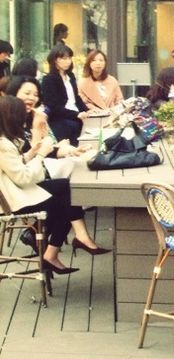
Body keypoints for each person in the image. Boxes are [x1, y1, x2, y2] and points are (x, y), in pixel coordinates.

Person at [0, 95, 108, 279]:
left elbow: (15, 165)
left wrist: (32, 152)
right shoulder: (3, 144)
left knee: (66, 194)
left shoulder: (7, 140)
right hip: (15, 200)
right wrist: (40, 154)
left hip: (19, 192)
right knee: (66, 200)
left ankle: (52, 247)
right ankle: (59, 245)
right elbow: (23, 177)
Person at [40, 45, 89, 145]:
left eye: (70, 58)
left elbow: (76, 97)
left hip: (76, 119)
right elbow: (53, 106)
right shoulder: (49, 79)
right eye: (63, 58)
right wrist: (76, 114)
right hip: (61, 121)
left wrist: (87, 110)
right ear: (54, 60)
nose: (68, 61)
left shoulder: (70, 76)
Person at [78, 49, 124, 113]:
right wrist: (97, 110)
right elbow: (82, 103)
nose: (98, 63)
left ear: (105, 63)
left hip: (111, 117)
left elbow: (119, 100)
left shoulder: (112, 81)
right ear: (89, 63)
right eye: (94, 60)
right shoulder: (82, 82)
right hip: (92, 117)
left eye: (101, 60)